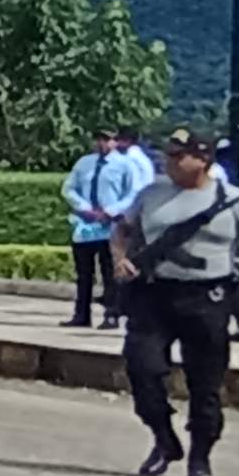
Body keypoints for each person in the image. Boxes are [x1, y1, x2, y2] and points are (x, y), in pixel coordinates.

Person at [112, 129, 239, 476]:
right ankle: (164, 438)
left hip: (208, 300)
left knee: (205, 386)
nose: (168, 162)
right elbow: (122, 230)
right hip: (155, 295)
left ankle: (200, 457)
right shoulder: (151, 194)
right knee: (142, 370)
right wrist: (120, 259)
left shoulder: (234, 200)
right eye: (168, 155)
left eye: (177, 156)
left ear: (202, 160)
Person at [62, 131, 150, 330]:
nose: (103, 143)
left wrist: (112, 211)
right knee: (84, 274)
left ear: (116, 142)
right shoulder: (84, 163)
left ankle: (112, 314)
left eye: (108, 139)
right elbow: (69, 188)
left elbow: (134, 193)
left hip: (111, 226)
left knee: (110, 273)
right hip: (85, 225)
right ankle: (81, 314)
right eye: (100, 139)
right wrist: (85, 208)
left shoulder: (125, 165)